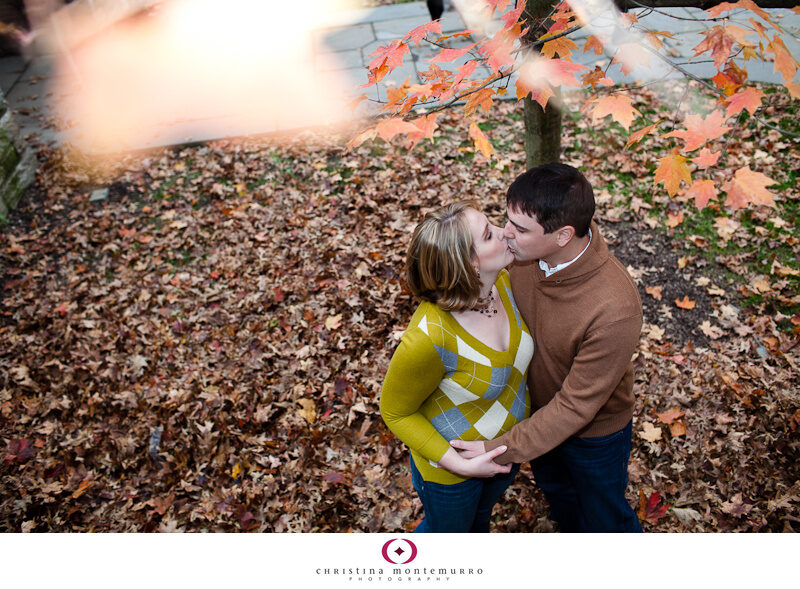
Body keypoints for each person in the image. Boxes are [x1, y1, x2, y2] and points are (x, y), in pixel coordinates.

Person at [451, 163, 643, 532]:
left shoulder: (614, 308)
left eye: (520, 229)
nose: (505, 234)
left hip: (594, 437)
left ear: (562, 236)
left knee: (605, 519)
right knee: (561, 499)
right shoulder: (518, 259)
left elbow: (576, 406)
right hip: (535, 417)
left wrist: (501, 447)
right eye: (506, 220)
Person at [380, 201, 534, 533]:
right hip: (452, 475)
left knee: (478, 524)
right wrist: (461, 467)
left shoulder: (502, 285)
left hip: (504, 454)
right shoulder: (429, 339)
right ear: (469, 266)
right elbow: (395, 413)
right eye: (490, 234)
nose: (506, 231)